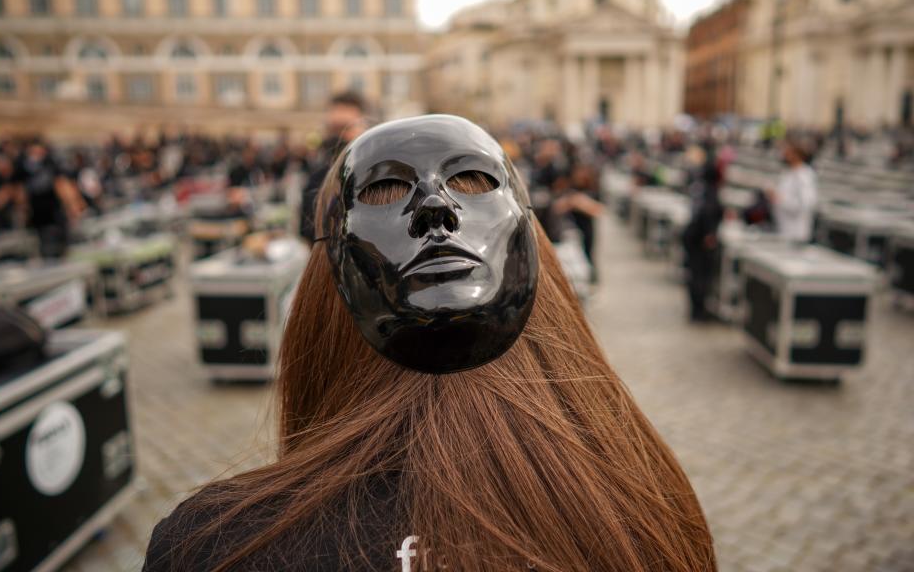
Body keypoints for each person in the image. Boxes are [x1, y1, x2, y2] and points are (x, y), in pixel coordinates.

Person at [143, 116, 715, 572]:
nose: (436, 210)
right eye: (387, 194)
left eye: (472, 184)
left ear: (318, 301)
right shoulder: (649, 509)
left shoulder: (215, 548)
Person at [298, 91, 367, 243]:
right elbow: (308, 231)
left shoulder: (376, 173)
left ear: (363, 128)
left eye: (345, 128)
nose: (338, 137)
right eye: (333, 129)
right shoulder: (317, 177)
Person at [11, 139, 85, 258]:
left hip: (54, 212)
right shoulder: (23, 166)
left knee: (60, 246)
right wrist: (22, 210)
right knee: (44, 247)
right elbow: (19, 189)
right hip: (37, 214)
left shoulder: (51, 163)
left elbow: (62, 184)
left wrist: (72, 206)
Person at [682, 162, 724, 322]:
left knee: (694, 275)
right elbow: (708, 212)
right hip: (699, 239)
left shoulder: (698, 187)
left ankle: (696, 310)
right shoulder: (710, 191)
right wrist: (710, 234)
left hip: (692, 236)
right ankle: (699, 311)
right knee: (700, 276)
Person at [770, 140, 817, 243]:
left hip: (796, 232)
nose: (785, 155)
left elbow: (805, 204)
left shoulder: (804, 176)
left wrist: (780, 200)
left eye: (788, 152)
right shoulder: (788, 172)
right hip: (784, 228)